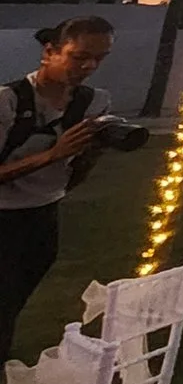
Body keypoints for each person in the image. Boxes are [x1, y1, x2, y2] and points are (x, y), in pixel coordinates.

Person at [0, 18, 116, 359]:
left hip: (43, 214)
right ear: (49, 52)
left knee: (15, 297)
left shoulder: (93, 103)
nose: (89, 66)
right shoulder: (8, 101)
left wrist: (90, 153)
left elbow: (76, 171)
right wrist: (53, 154)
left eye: (100, 58)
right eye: (79, 56)